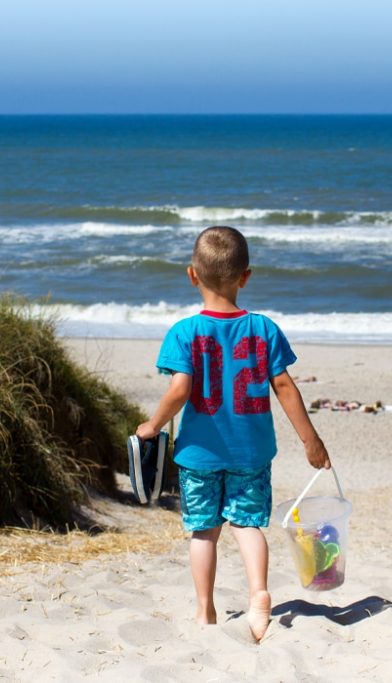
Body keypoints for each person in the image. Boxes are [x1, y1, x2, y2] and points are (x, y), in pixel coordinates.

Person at [135, 226, 331, 643]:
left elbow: (180, 389)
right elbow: (284, 387)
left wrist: (153, 426)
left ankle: (205, 609)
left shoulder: (184, 332)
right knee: (247, 526)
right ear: (246, 277)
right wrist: (310, 440)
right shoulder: (264, 329)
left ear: (192, 275)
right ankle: (259, 593)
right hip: (251, 452)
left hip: (199, 455)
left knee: (204, 532)